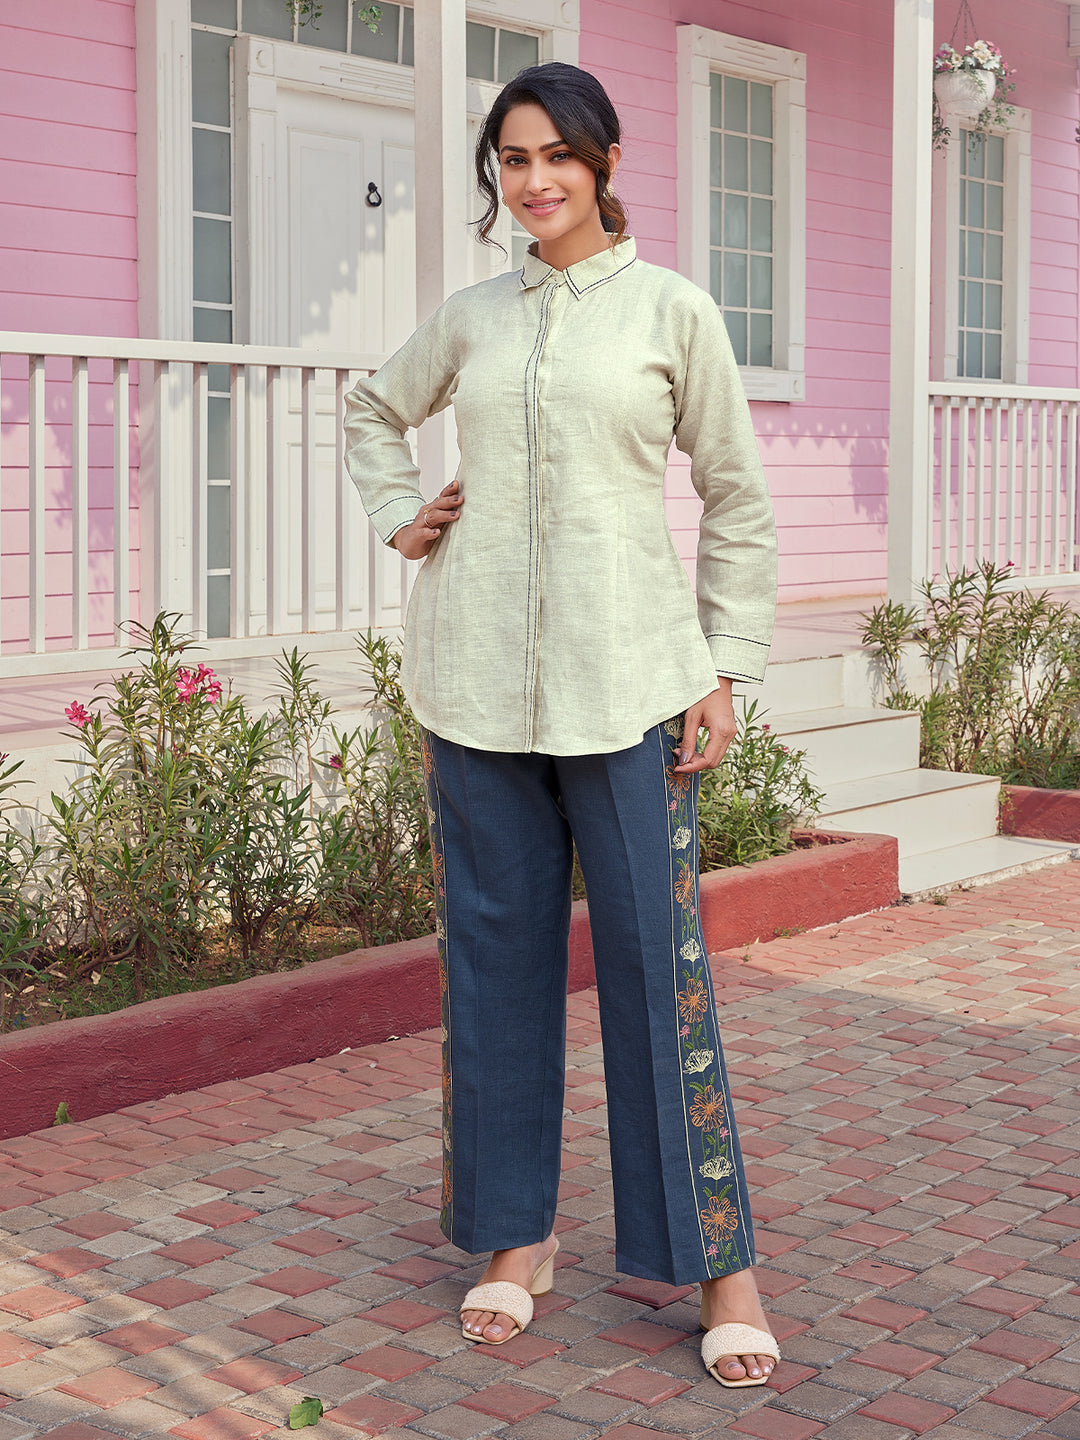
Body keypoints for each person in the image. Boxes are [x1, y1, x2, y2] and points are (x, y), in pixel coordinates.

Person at [343, 61, 779, 1389]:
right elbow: (372, 406)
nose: (534, 182)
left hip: (632, 687)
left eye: (556, 156)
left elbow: (737, 497)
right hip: (475, 689)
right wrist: (401, 515)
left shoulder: (672, 310)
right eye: (513, 160)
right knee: (495, 971)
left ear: (605, 160)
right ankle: (512, 1237)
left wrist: (724, 666)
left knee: (660, 972)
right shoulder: (475, 318)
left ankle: (719, 1265)